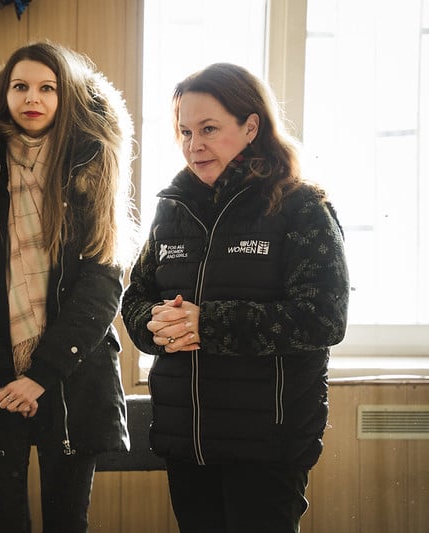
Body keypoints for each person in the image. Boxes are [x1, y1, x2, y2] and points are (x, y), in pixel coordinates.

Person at [121, 63, 350, 533]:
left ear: (251, 126)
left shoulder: (302, 207)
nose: (193, 144)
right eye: (184, 131)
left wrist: (209, 324)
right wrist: (155, 323)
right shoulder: (172, 208)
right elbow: (138, 294)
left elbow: (323, 319)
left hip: (268, 444)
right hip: (188, 439)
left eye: (209, 129)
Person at [0, 42, 138, 533]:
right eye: (20, 86)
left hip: (72, 374)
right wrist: (3, 378)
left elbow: (103, 280)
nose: (33, 98)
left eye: (48, 88)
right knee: (3, 522)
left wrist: (41, 374)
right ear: (4, 95)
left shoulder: (95, 166)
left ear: (64, 96)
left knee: (69, 522)